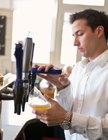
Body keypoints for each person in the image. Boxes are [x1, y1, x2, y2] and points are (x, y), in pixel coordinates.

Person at [32, 9, 108, 140]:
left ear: (99, 31)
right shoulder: (78, 69)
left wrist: (67, 119)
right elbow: (68, 109)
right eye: (74, 36)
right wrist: (61, 86)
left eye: (80, 34)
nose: (75, 43)